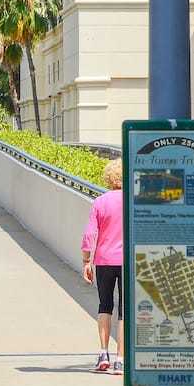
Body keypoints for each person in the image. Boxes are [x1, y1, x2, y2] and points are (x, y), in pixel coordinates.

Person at [81, 158, 125, 373]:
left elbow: (90, 234)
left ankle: (103, 353)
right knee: (125, 311)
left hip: (104, 260)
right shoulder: (133, 201)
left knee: (105, 305)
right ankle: (121, 359)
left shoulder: (100, 202)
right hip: (128, 261)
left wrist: (86, 261)